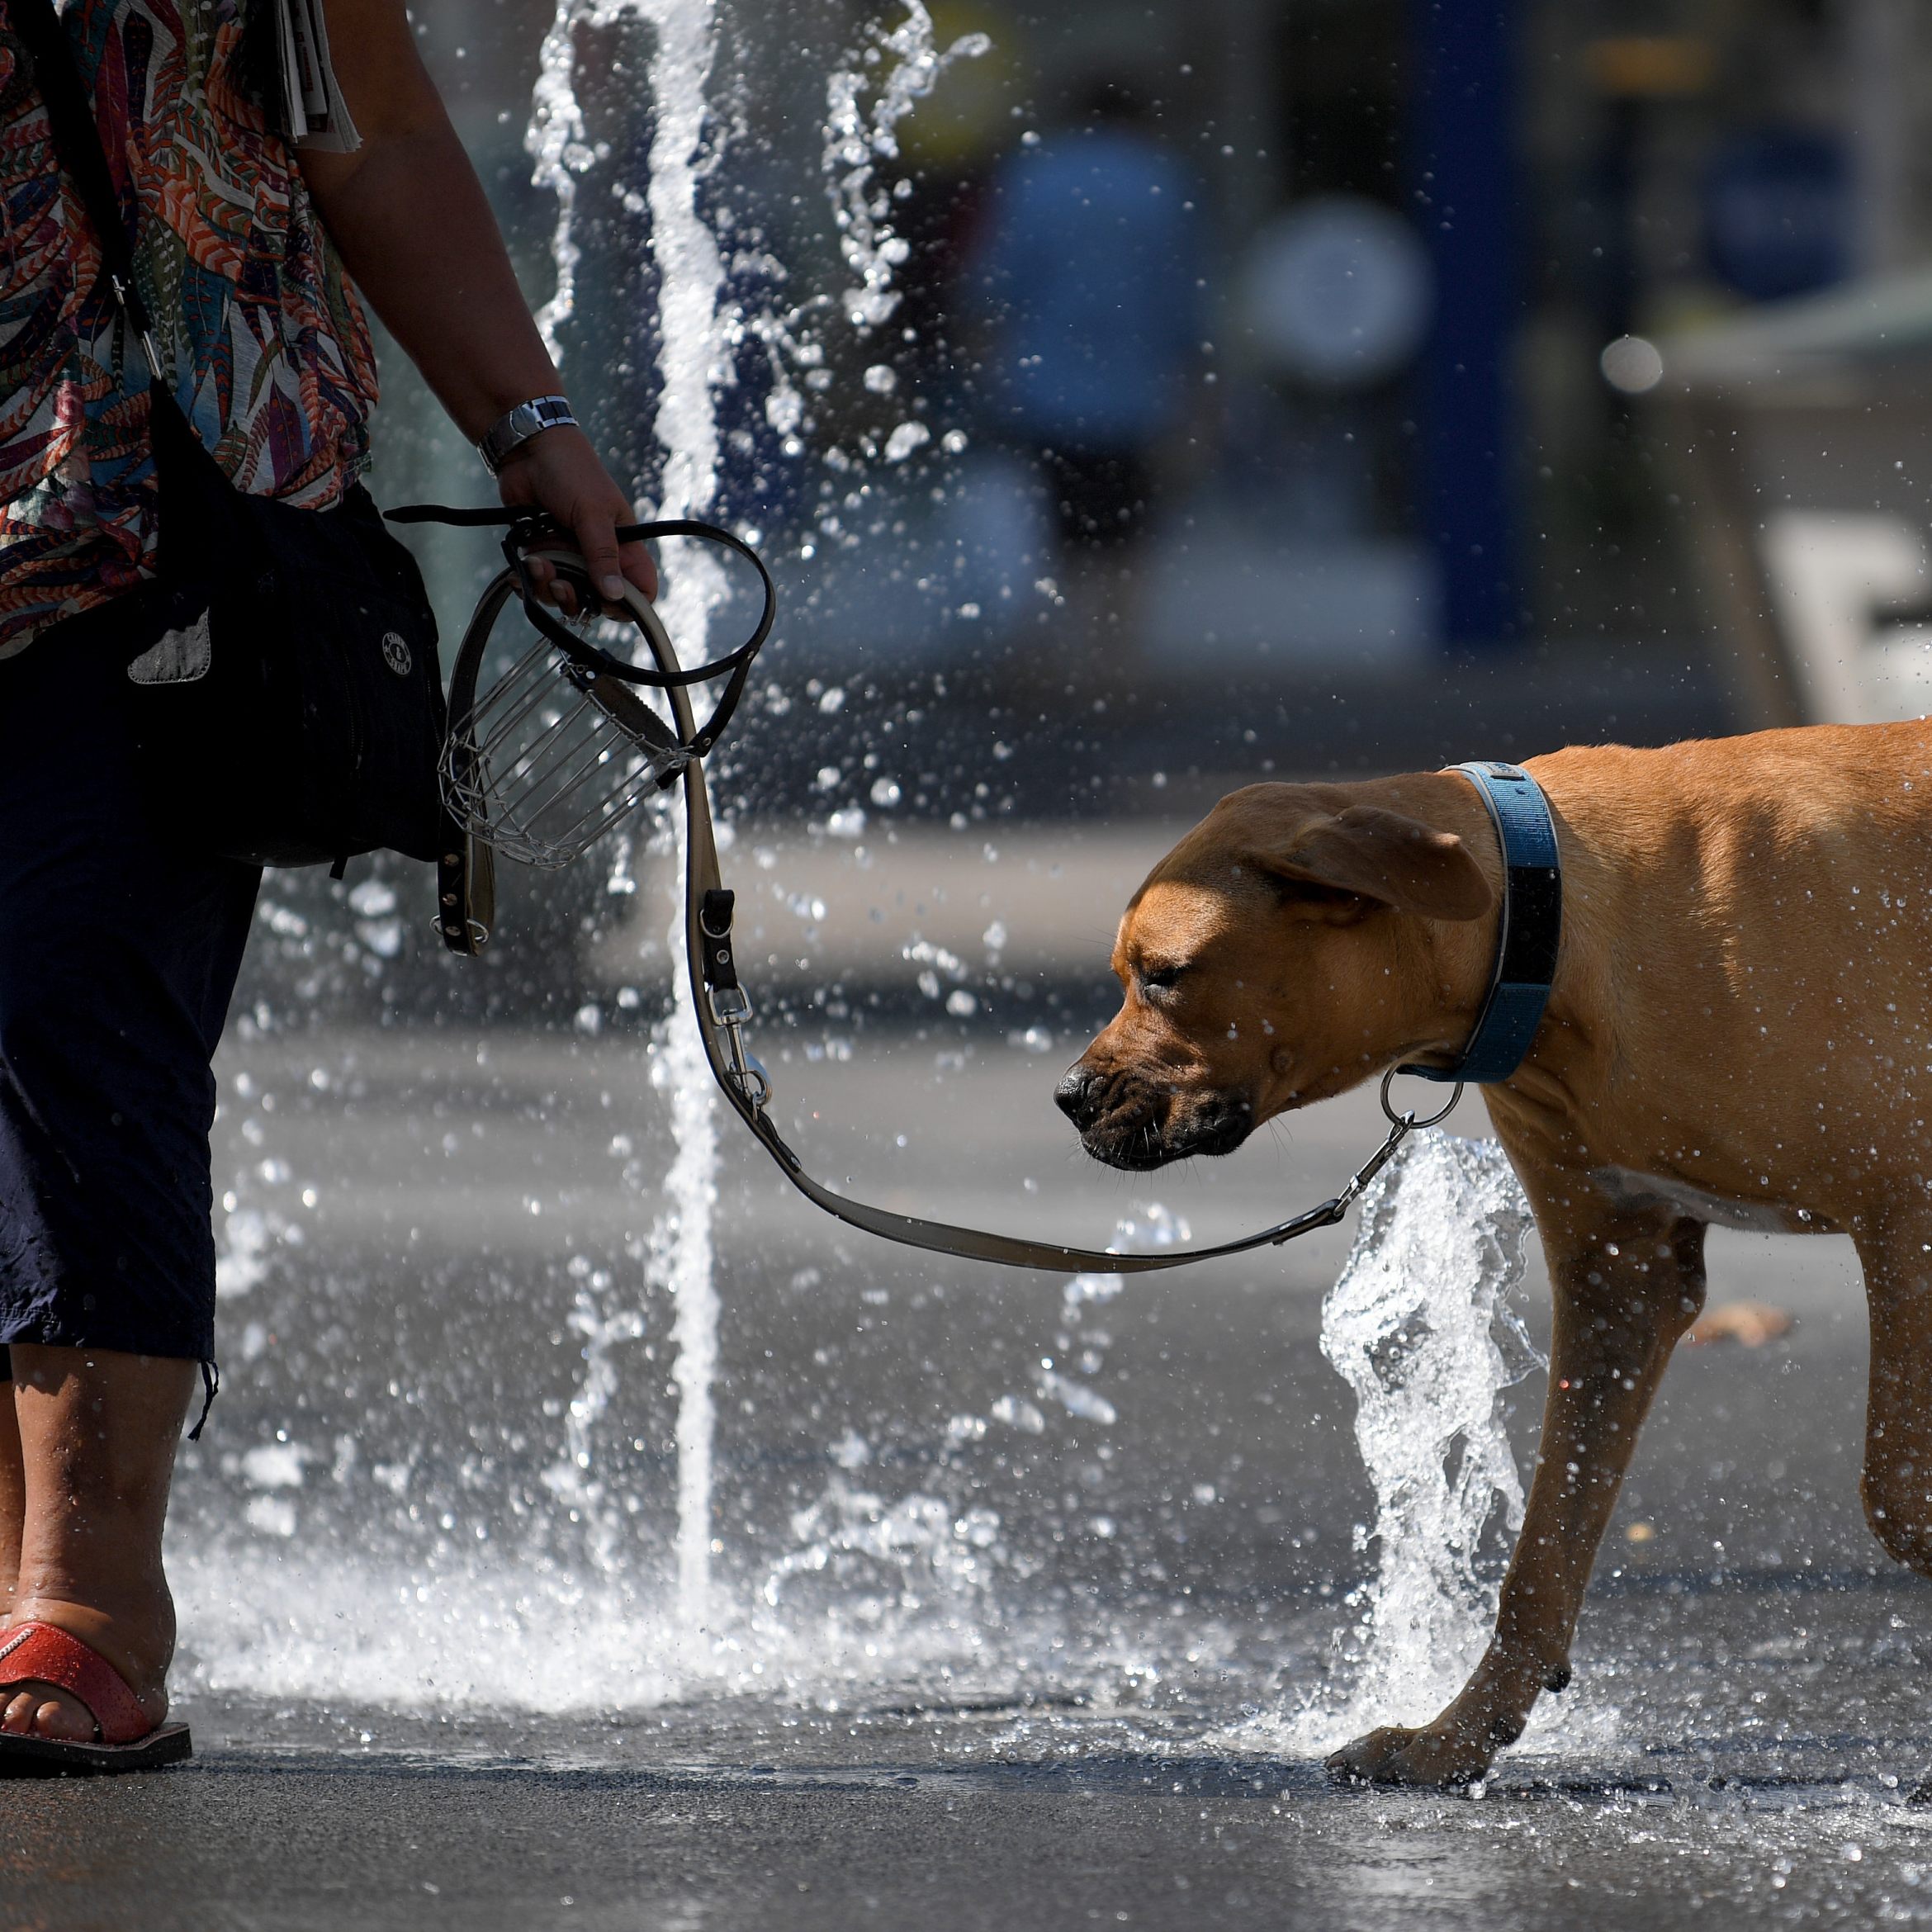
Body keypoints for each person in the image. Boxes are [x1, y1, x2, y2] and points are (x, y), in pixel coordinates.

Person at [0, 0, 655, 1759]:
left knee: (78, 1020)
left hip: (144, 513)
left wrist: (531, 421)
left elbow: (369, 115)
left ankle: (83, 1603)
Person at [964, 79, 1203, 582]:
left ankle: (1059, 648)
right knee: (1125, 543)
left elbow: (996, 285)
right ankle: (1114, 655)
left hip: (1045, 390)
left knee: (1053, 538)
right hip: (1136, 393)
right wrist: (1198, 396)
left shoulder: (1036, 176)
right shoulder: (1160, 180)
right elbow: (1183, 301)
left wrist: (987, 369)